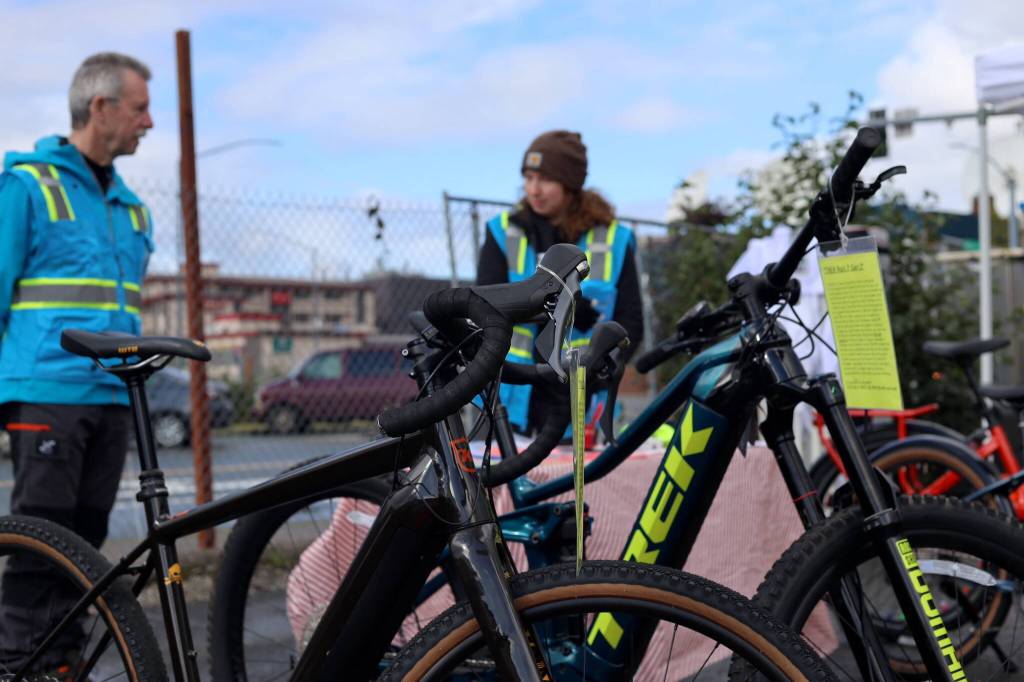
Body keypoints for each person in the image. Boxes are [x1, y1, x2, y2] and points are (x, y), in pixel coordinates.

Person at [0, 52, 154, 672]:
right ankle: (18, 662)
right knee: (43, 540)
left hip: (113, 394)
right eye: (140, 108)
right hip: (47, 391)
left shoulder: (132, 206)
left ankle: (59, 663)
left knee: (86, 543)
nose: (149, 122)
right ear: (101, 107)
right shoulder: (28, 185)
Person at [477, 130, 643, 436]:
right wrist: (556, 306)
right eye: (528, 178)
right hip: (512, 399)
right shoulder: (502, 232)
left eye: (545, 179)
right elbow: (482, 308)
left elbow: (631, 323)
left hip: (583, 399)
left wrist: (601, 371)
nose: (534, 190)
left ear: (569, 183)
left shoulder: (615, 240)